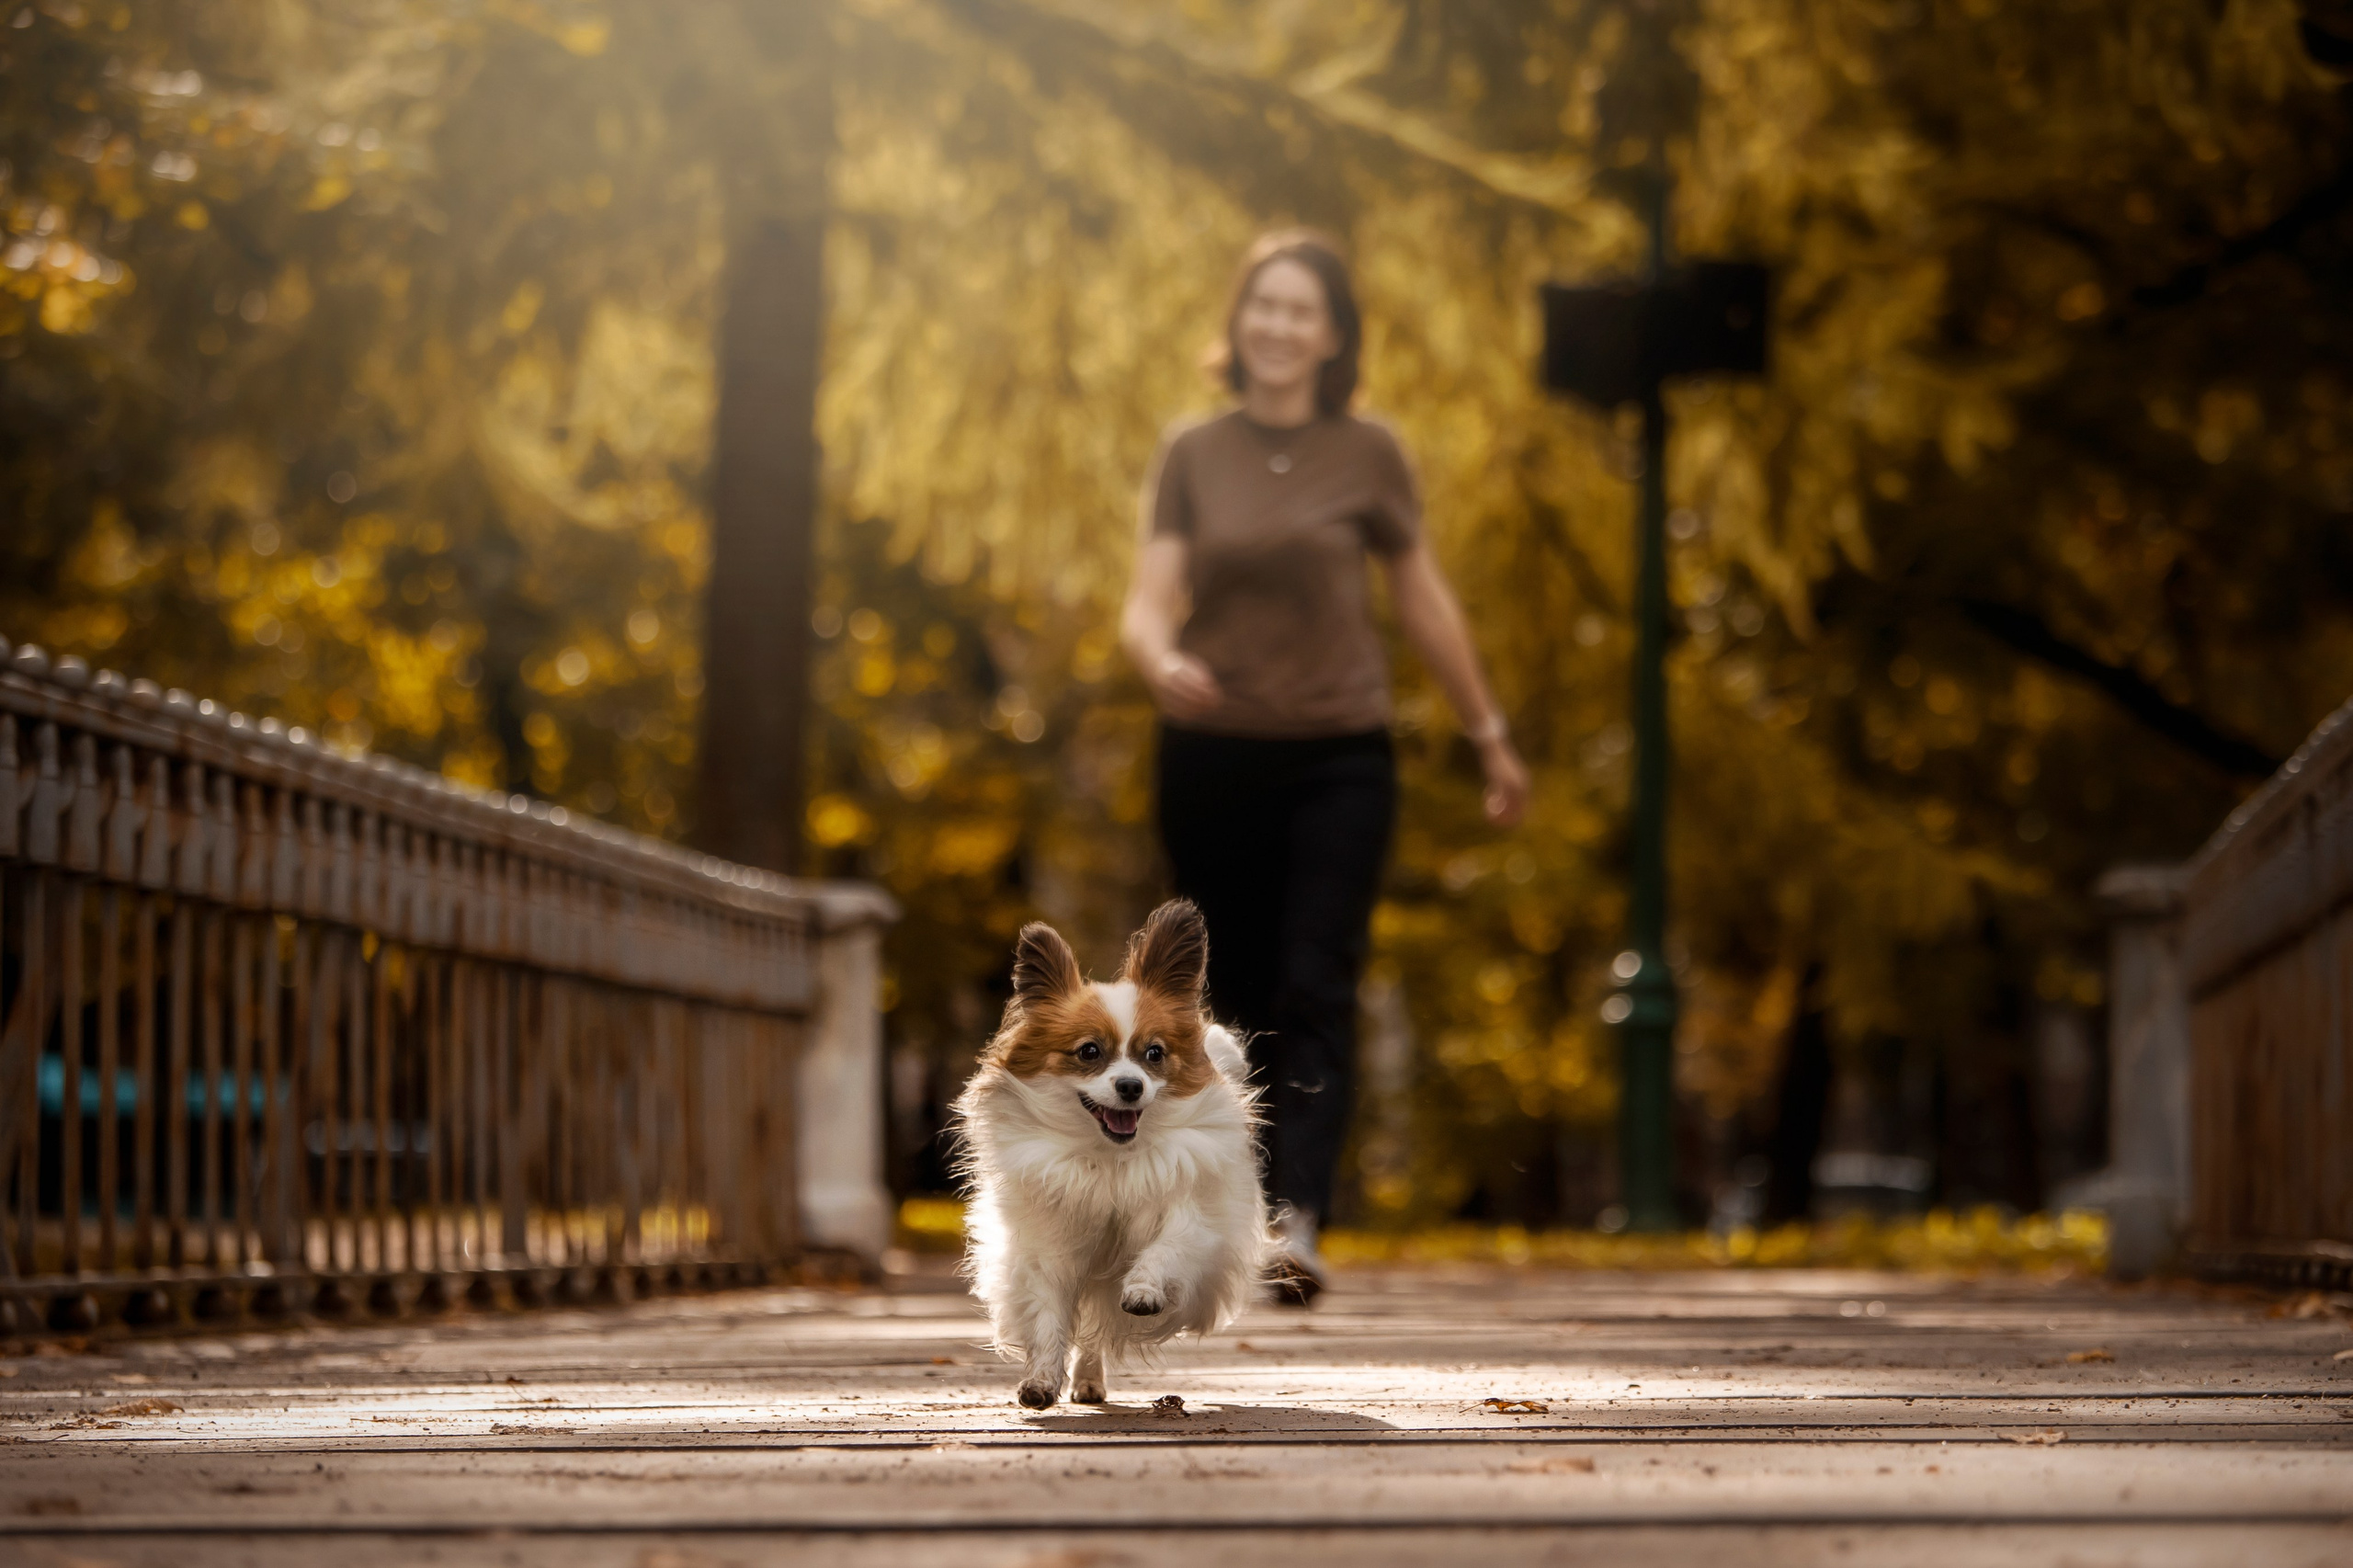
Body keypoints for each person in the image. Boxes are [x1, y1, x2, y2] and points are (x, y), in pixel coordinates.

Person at [1120, 231, 1530, 1302]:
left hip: (1340, 752)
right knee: (1219, 995)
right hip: (1211, 754)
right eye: (1265, 306)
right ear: (1240, 322)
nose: (1280, 327)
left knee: (1316, 978)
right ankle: (1224, 1209)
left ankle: (1295, 1219)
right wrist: (1158, 658)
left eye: (1303, 311)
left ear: (1333, 335)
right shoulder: (1193, 452)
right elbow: (1150, 595)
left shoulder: (1370, 454)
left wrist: (1484, 730)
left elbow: (1423, 600)